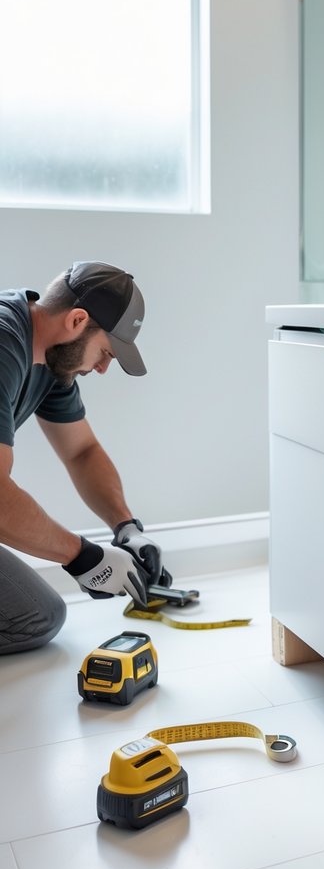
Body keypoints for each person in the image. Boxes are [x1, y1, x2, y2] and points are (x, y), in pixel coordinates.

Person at [0, 261, 168, 655]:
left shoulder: (52, 363)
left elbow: (81, 451)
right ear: (77, 320)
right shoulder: (4, 343)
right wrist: (83, 556)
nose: (104, 368)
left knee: (38, 613)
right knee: (33, 619)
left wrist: (126, 527)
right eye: (106, 352)